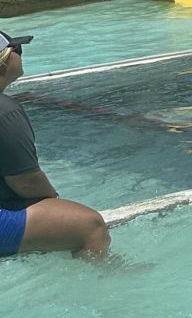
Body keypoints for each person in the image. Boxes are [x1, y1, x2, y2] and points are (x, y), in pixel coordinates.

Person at [0, 32, 110, 259]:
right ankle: (109, 283)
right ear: (4, 59)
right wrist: (54, 201)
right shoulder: (4, 111)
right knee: (89, 225)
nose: (21, 54)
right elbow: (26, 182)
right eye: (17, 50)